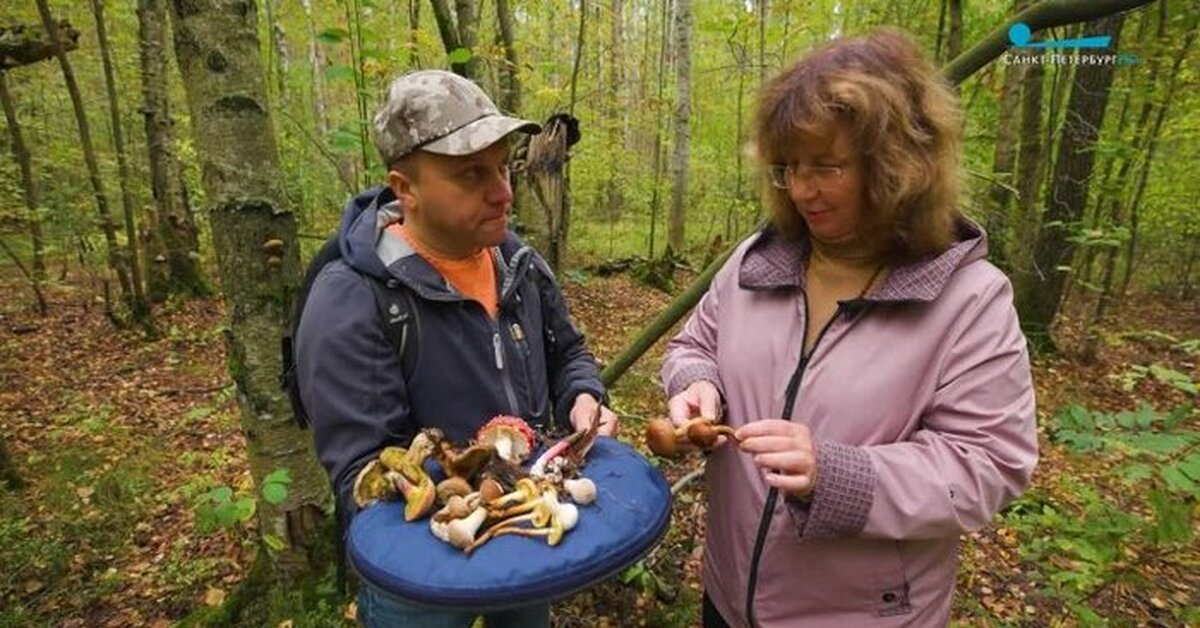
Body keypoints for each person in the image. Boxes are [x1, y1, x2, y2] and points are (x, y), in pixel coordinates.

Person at [661, 29, 1037, 627]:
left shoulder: (970, 300)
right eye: (788, 168)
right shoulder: (755, 262)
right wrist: (695, 384)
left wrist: (840, 477)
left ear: (897, 167)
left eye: (827, 167)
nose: (803, 189)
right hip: (729, 596)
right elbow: (694, 344)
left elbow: (991, 463)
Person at [295, 69, 618, 628]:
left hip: (524, 526)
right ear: (405, 188)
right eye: (471, 174)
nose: (503, 191)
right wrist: (465, 497)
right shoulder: (356, 298)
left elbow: (567, 353)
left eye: (502, 167)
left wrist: (583, 396)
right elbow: (365, 475)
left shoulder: (515, 262)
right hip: (422, 573)